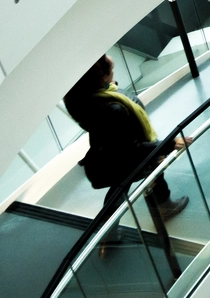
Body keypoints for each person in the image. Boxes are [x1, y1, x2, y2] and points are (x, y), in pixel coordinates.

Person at [64, 56, 190, 218]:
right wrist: (171, 144)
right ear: (102, 77)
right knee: (149, 166)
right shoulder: (112, 109)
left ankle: (109, 232)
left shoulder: (87, 100)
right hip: (119, 160)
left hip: (106, 155)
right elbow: (132, 149)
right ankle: (163, 207)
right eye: (111, 70)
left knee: (119, 189)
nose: (112, 65)